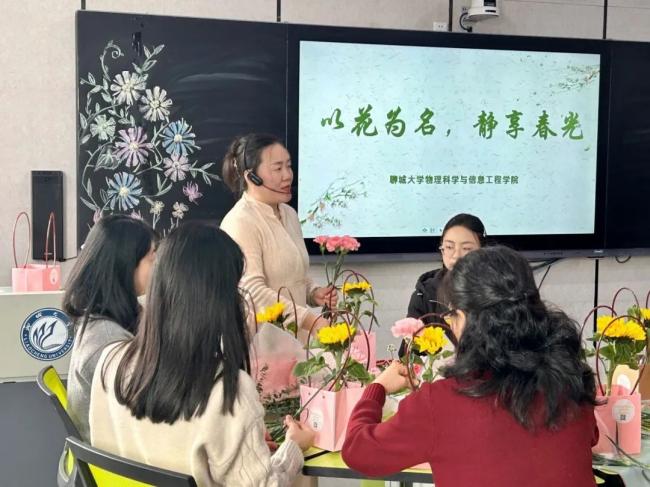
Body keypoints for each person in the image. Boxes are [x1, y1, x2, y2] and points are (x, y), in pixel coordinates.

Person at [342, 246, 598, 487]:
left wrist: (376, 389)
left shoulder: (439, 402)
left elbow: (358, 453)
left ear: (464, 319)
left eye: (451, 314)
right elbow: (590, 437)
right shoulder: (571, 380)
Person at [89, 222, 314, 486]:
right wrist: (293, 447)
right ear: (221, 300)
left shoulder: (111, 361)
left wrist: (243, 437)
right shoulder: (226, 391)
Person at [220, 134, 336, 340]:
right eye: (278, 168)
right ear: (252, 177)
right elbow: (251, 291)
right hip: (262, 344)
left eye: (288, 166)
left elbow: (291, 273)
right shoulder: (240, 221)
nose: (288, 175)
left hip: (295, 341)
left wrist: (312, 292)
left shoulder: (289, 214)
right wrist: (310, 320)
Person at [64, 214, 157, 441]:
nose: (157, 268)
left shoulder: (104, 318)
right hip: (114, 457)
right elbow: (148, 409)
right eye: (152, 259)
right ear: (125, 266)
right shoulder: (108, 341)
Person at [399, 213, 486, 356]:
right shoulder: (425, 294)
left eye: (466, 248)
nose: (456, 255)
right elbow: (409, 355)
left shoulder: (496, 293)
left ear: (483, 251)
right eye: (449, 247)